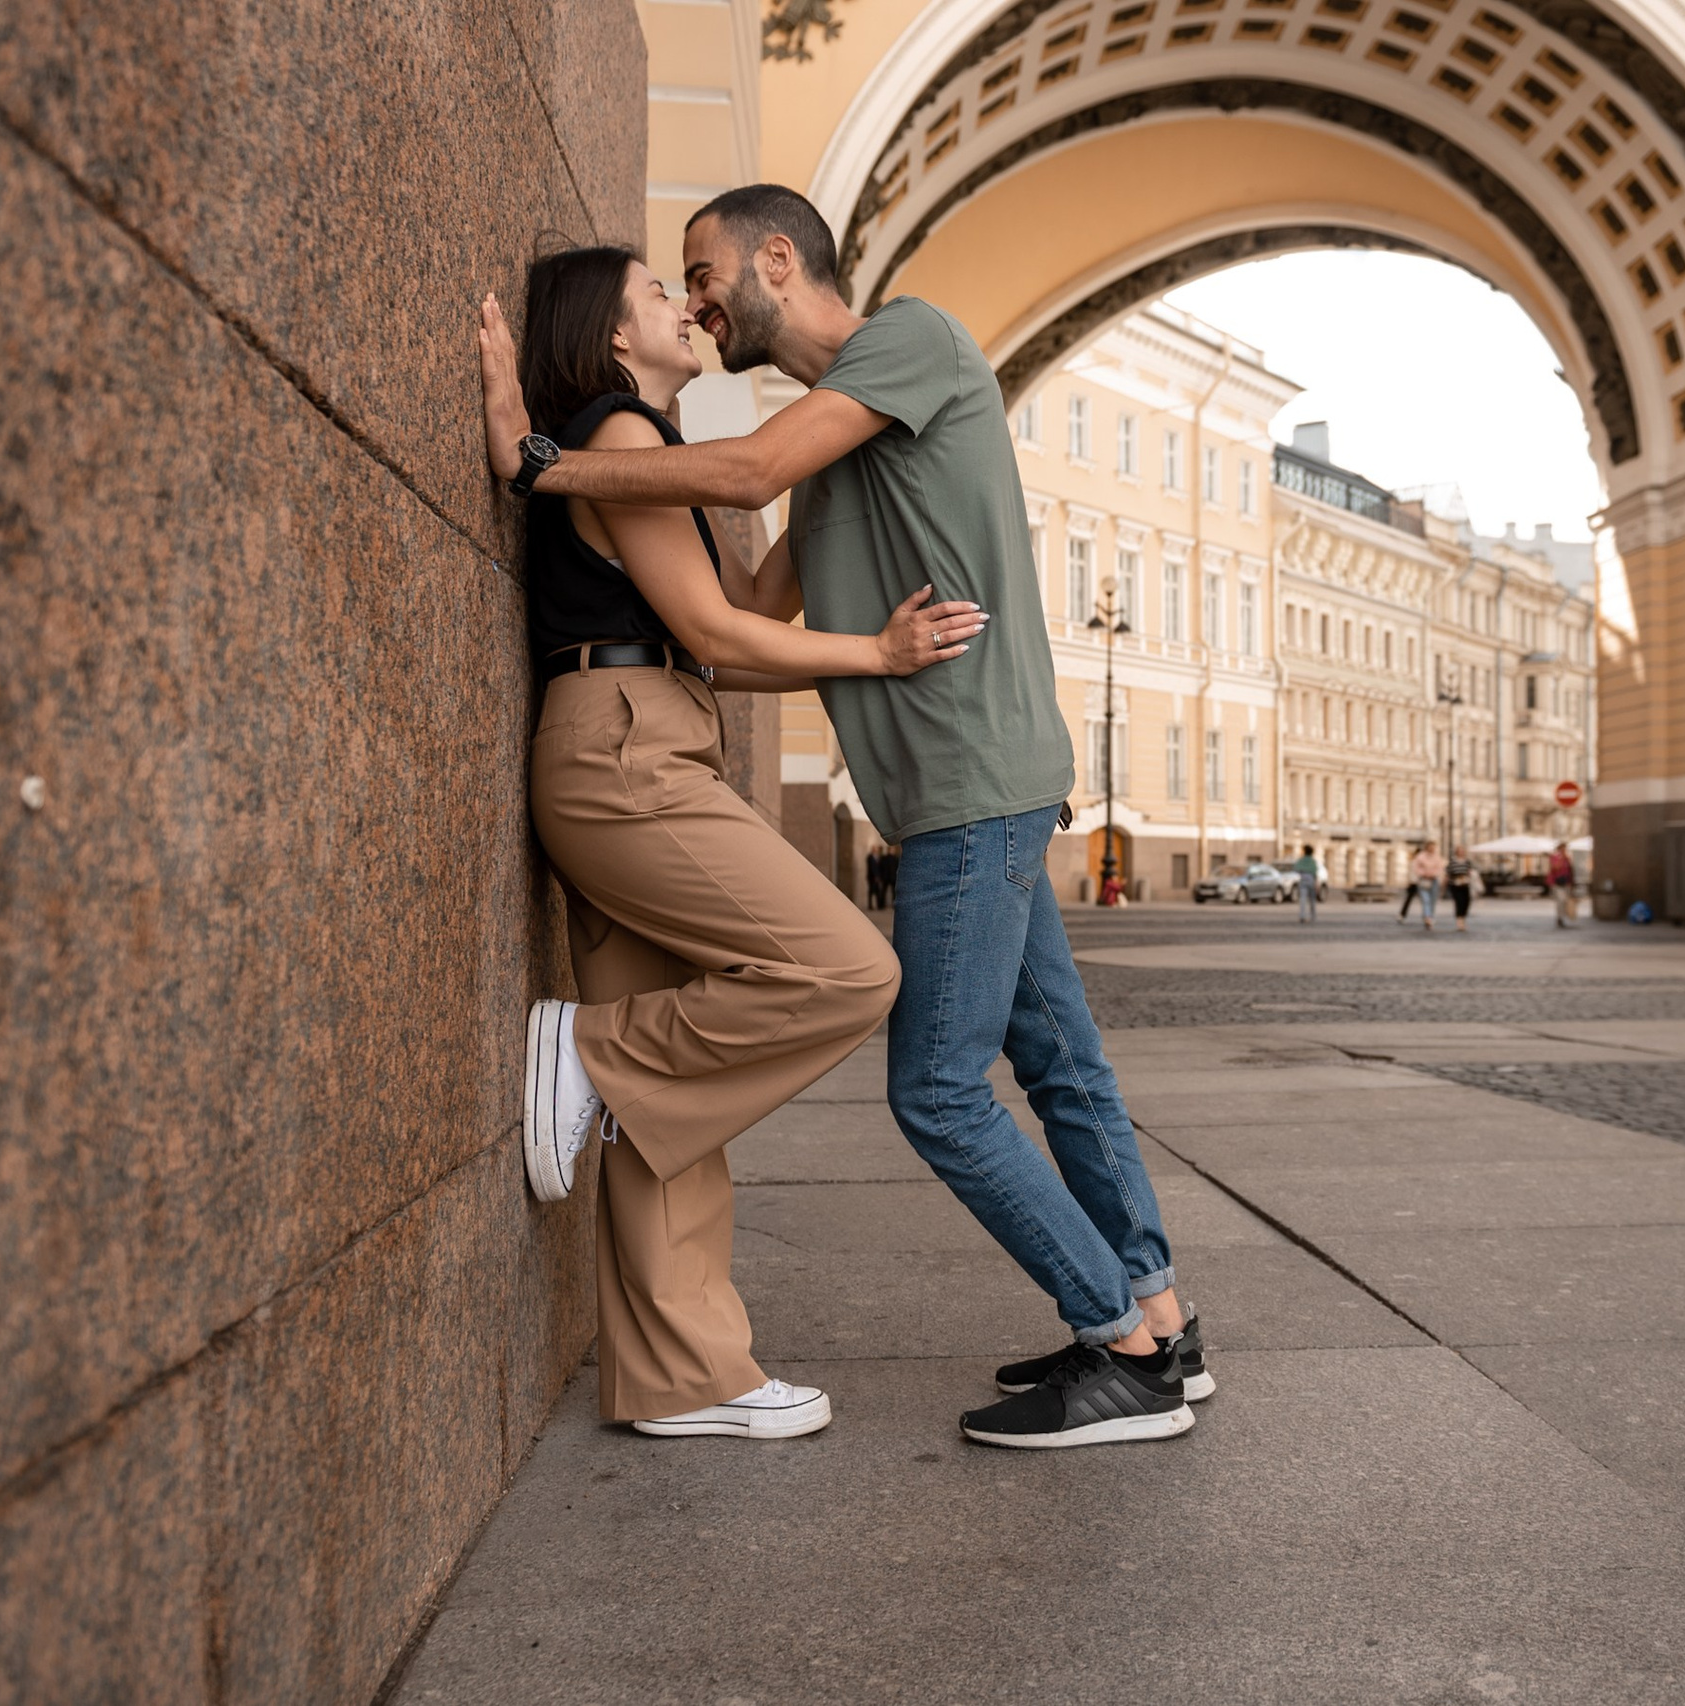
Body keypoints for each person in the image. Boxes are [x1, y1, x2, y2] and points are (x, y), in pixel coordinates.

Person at [480, 186, 1204, 1449]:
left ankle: (1120, 1345)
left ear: (776, 258)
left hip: (970, 780)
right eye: (673, 288)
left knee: (935, 1088)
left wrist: (539, 462)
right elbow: (748, 606)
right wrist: (827, 640)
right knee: (1058, 1061)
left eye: (701, 274)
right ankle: (1158, 1318)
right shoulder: (843, 437)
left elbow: (752, 473)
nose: (696, 301)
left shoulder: (907, 342)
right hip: (961, 782)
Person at [489, 247, 987, 1441]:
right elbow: (719, 636)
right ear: (614, 340)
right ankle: (593, 1052)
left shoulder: (632, 442)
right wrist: (880, 652)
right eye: (659, 293)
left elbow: (747, 609)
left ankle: (684, 1375)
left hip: (626, 744)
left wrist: (834, 483)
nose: (681, 303)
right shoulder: (626, 429)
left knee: (680, 1102)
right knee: (846, 968)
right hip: (629, 754)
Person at [1407, 841, 1444, 932]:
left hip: (1434, 880)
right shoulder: (1421, 856)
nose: (1432, 849)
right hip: (1423, 880)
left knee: (1433, 900)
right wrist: (1423, 874)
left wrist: (1434, 874)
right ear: (1427, 847)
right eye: (1431, 847)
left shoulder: (1437, 857)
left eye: (1433, 847)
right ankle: (1427, 917)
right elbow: (1416, 867)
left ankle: (1430, 916)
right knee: (1425, 900)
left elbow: (1440, 868)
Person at [1444, 844, 1476, 933]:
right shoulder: (1452, 861)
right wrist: (1444, 886)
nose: (1461, 852)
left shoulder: (1467, 861)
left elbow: (1470, 872)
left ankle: (1463, 918)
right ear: (1456, 852)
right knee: (1459, 902)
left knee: (1466, 902)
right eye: (1459, 850)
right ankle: (1459, 922)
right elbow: (1447, 873)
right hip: (1455, 884)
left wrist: (1469, 877)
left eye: (1462, 850)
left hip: (1465, 884)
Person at [1547, 840, 1577, 929]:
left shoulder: (1568, 858)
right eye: (1563, 848)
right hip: (1557, 883)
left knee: (1565, 901)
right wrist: (1562, 858)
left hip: (1566, 882)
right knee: (1560, 901)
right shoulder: (1555, 857)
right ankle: (1559, 918)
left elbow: (1570, 870)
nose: (1564, 850)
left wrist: (1572, 882)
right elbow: (1555, 868)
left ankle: (1563, 917)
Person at [1293, 844, 1321, 923]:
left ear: (1304, 851)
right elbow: (1315, 873)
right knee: (1312, 900)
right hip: (1311, 880)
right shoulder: (1313, 861)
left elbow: (1296, 869)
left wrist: (1302, 872)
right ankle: (1313, 916)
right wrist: (1316, 884)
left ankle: (1302, 916)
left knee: (1303, 899)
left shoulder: (1301, 860)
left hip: (1303, 880)